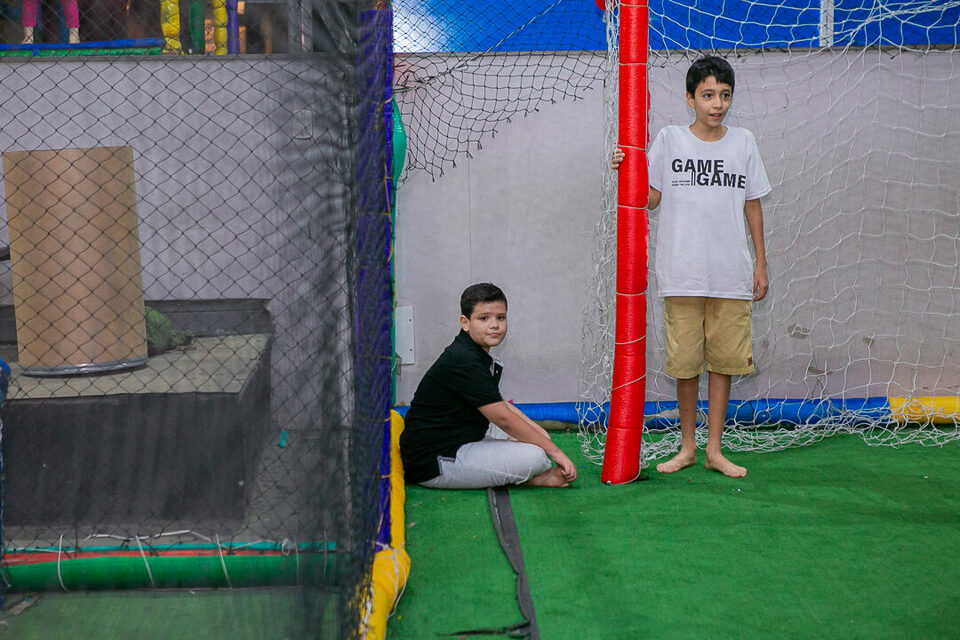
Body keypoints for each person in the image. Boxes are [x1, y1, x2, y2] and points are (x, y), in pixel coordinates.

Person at [611, 55, 771, 478]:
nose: (717, 104)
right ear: (690, 99)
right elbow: (650, 199)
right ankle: (687, 447)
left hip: (731, 275)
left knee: (723, 363)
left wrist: (760, 263)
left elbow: (753, 204)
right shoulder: (670, 140)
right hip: (681, 273)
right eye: (708, 95)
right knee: (685, 365)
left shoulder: (744, 142)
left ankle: (715, 450)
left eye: (725, 95)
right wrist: (626, 170)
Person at [400, 283, 578, 489]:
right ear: (465, 323)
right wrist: (554, 451)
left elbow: (499, 402)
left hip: (464, 433)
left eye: (500, 317)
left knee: (539, 438)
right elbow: (503, 418)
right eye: (484, 318)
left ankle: (517, 467)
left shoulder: (475, 351)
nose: (494, 325)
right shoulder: (463, 359)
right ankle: (535, 478)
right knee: (537, 457)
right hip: (433, 460)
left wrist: (542, 436)